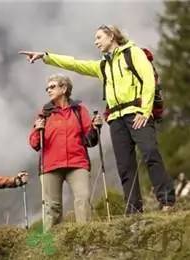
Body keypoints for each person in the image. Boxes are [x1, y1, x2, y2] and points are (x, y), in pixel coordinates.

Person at [19, 24, 175, 214]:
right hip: (116, 119)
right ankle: (134, 210)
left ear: (111, 36)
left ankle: (167, 201)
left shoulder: (133, 53)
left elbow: (148, 79)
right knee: (125, 166)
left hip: (137, 113)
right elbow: (75, 64)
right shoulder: (103, 65)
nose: (96, 42)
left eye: (99, 37)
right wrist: (45, 56)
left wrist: (144, 110)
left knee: (150, 153)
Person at [29, 74, 100, 232]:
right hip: (50, 166)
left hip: (77, 163)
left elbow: (91, 141)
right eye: (47, 88)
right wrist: (37, 129)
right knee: (52, 208)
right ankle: (52, 245)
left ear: (64, 88)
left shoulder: (79, 110)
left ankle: (85, 236)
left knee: (83, 198)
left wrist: (96, 128)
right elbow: (34, 143)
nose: (48, 90)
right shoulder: (44, 113)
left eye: (52, 86)